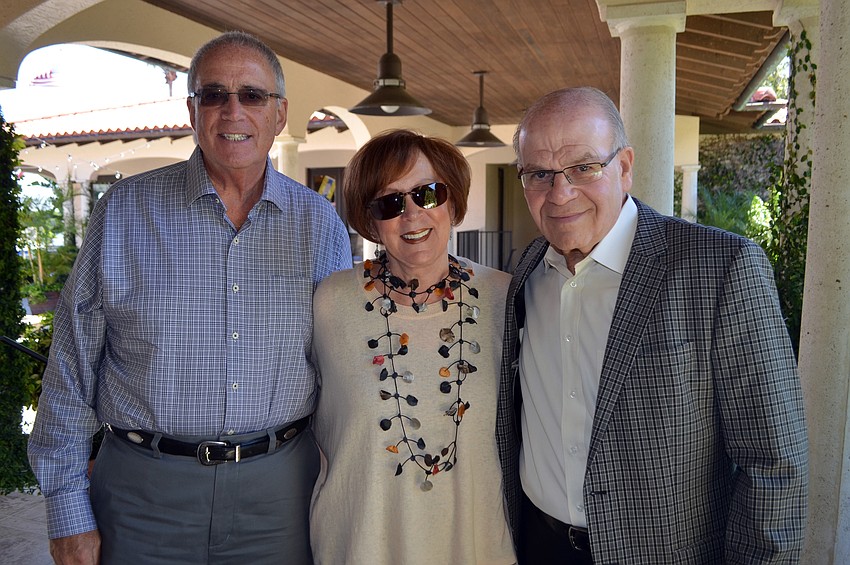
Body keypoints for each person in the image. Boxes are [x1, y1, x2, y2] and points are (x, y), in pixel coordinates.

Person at [28, 31, 351, 564]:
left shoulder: (319, 224)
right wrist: (67, 509)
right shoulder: (125, 211)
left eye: (251, 95)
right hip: (141, 500)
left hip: (279, 502)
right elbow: (71, 366)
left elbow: (341, 366)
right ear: (192, 110)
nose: (232, 110)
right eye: (214, 94)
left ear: (280, 114)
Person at [495, 87, 808, 564]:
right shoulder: (527, 272)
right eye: (540, 173)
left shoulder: (721, 268)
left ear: (624, 167)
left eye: (583, 167)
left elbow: (774, 462)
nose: (560, 193)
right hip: (540, 545)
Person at [309, 129, 516, 564]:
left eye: (427, 194)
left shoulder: (505, 299)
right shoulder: (328, 303)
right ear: (371, 221)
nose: (411, 215)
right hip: (362, 546)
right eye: (390, 203)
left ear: (453, 201)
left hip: (477, 548)